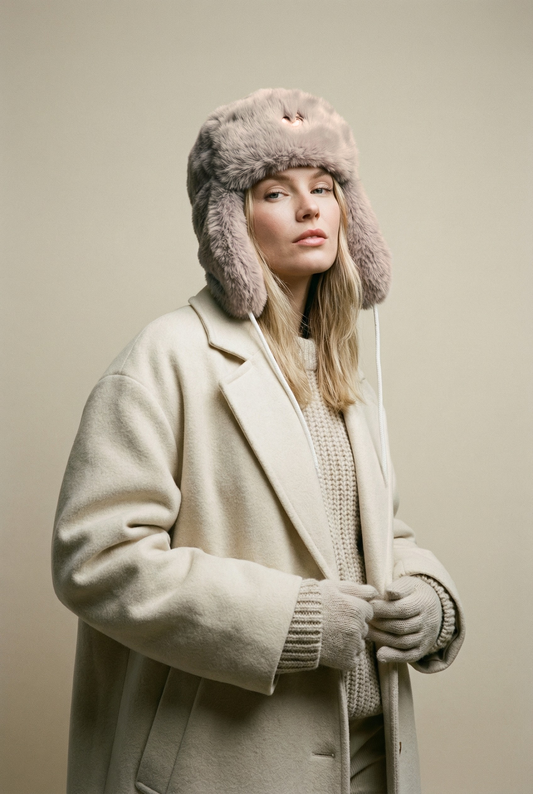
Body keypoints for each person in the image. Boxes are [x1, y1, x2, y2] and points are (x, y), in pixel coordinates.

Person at [52, 88, 465, 794]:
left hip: (368, 760)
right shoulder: (165, 357)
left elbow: (369, 537)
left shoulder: (337, 368)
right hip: (222, 767)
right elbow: (98, 560)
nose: (309, 208)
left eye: (325, 188)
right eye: (276, 192)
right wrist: (295, 619)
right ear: (229, 224)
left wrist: (432, 601)